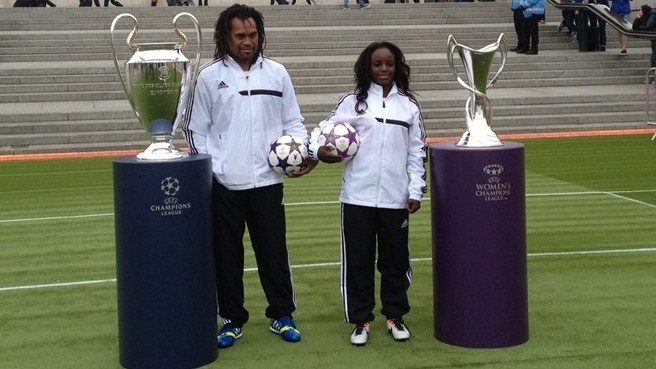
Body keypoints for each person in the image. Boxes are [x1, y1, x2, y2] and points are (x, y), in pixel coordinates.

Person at [179, 3, 306, 349]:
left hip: (268, 182)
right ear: (226, 37)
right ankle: (231, 319)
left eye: (252, 35)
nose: (247, 41)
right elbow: (195, 131)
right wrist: (214, 169)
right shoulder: (208, 76)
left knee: (273, 253)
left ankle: (282, 314)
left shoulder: (277, 73)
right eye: (240, 35)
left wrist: (300, 152)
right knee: (226, 256)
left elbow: (293, 123)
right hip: (224, 185)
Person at [301, 41, 427, 346]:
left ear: (397, 66)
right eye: (377, 64)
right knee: (358, 261)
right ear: (366, 67)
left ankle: (395, 315)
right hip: (356, 197)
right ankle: (361, 320)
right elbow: (320, 131)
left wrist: (415, 189)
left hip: (395, 198)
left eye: (389, 64)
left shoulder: (408, 106)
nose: (384, 70)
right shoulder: (352, 103)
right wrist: (317, 151)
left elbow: (417, 150)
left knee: (395, 261)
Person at [633, 4, 656, 72]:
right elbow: (634, 27)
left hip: (654, 37)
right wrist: (638, 18)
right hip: (653, 39)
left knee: (654, 58)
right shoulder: (645, 17)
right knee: (653, 58)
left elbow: (648, 27)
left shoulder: (652, 16)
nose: (639, 11)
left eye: (640, 10)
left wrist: (639, 28)